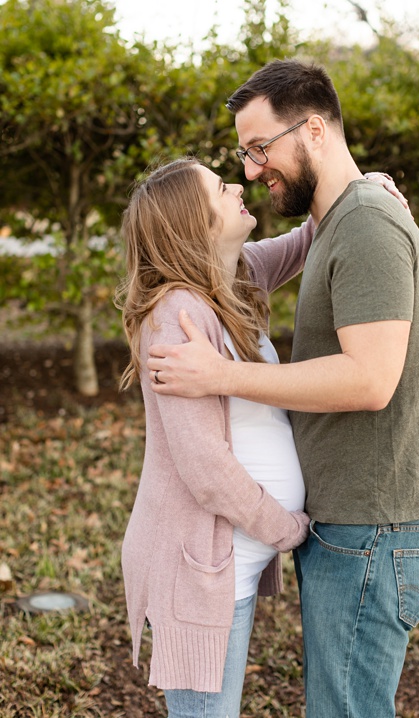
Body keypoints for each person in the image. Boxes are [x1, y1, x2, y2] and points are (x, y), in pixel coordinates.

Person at [144, 60, 419, 718]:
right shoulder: (208, 293)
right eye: (240, 159)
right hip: (299, 538)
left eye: (258, 150)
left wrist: (223, 375)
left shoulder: (354, 227)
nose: (250, 173)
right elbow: (200, 461)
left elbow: (370, 379)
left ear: (313, 128)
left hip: (368, 525)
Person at [117, 157, 313, 716]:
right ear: (195, 224)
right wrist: (285, 528)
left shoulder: (232, 278)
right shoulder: (175, 313)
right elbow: (203, 466)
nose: (236, 186)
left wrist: (361, 187)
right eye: (218, 188)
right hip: (196, 566)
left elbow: (302, 241)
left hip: (229, 559)